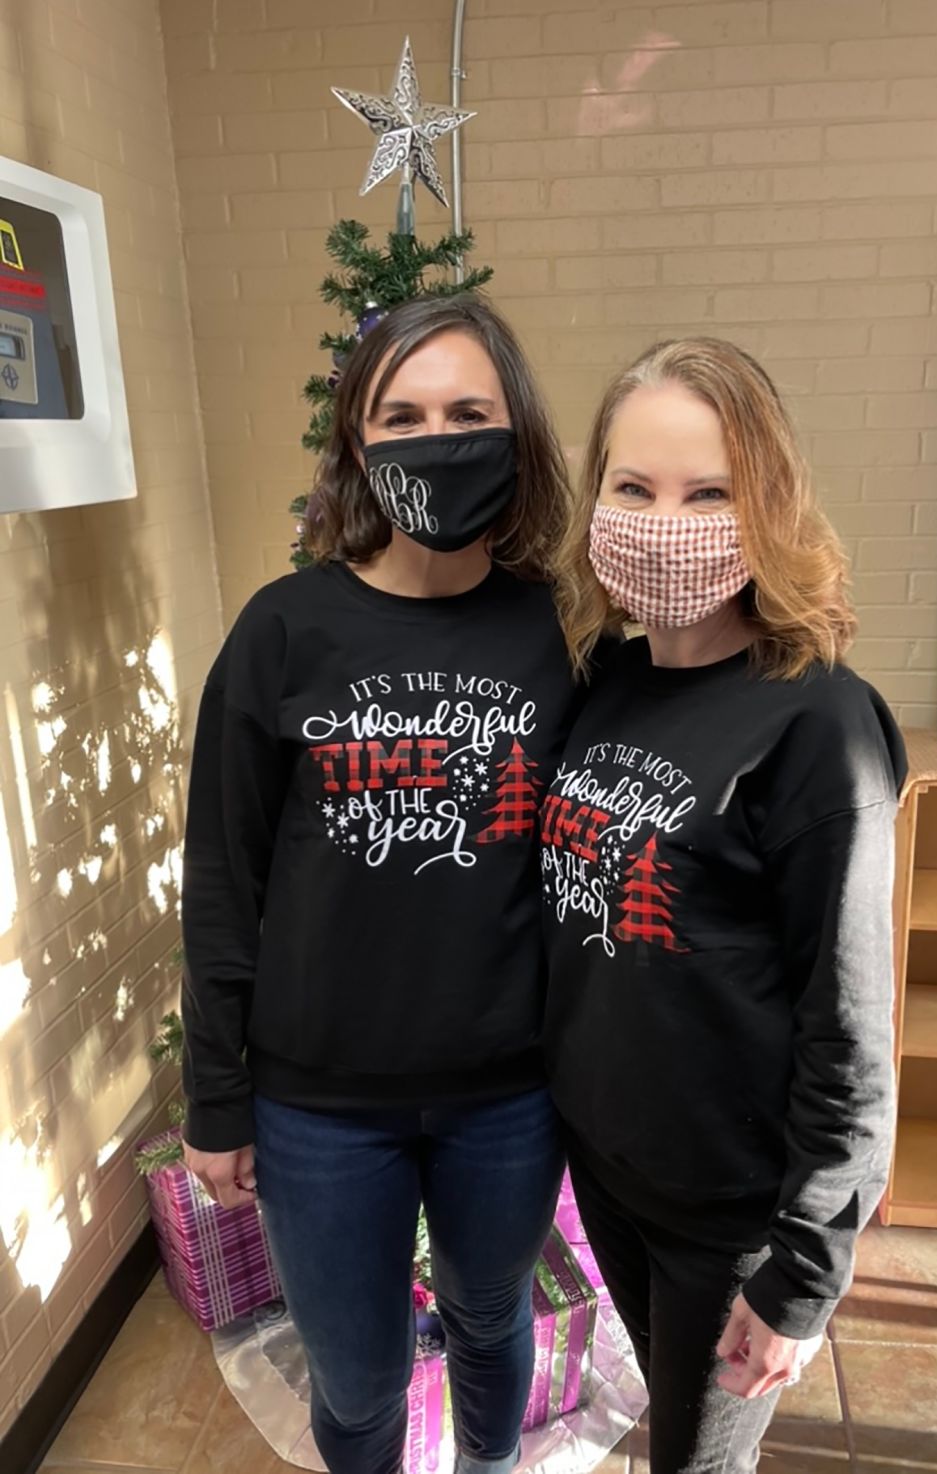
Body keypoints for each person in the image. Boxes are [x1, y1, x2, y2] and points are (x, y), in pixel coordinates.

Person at [180, 294, 587, 1474]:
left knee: (487, 1319)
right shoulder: (283, 631)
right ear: (358, 440)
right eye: (401, 414)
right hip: (319, 1109)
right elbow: (223, 874)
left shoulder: (556, 635)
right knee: (354, 1382)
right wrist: (218, 1096)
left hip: (509, 1096)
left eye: (469, 410)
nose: (436, 436)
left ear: (516, 434)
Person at [543, 338, 907, 1474]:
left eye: (710, 493)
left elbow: (848, 1025)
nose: (666, 520)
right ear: (595, 496)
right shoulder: (603, 678)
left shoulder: (819, 722)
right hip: (610, 1171)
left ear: (768, 507)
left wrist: (803, 1274)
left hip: (729, 1213)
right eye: (634, 488)